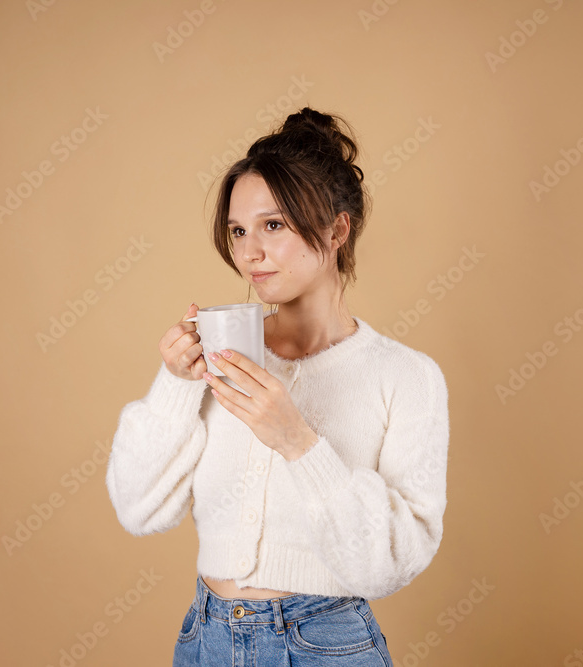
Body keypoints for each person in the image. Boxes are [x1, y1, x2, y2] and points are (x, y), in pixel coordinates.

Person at [105, 107, 449, 666]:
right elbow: (138, 510)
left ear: (337, 230)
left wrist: (297, 442)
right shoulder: (219, 356)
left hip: (326, 644)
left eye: (273, 225)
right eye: (238, 230)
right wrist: (176, 385)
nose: (249, 252)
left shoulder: (407, 377)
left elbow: (392, 563)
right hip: (207, 641)